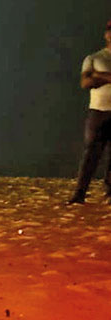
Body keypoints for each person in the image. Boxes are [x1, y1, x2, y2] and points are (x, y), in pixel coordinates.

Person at [67, 19, 111, 204]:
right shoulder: (94, 58)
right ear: (106, 34)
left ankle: (110, 194)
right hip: (98, 111)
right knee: (91, 153)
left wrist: (98, 75)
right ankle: (79, 194)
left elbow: (92, 78)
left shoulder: (96, 64)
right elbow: (85, 82)